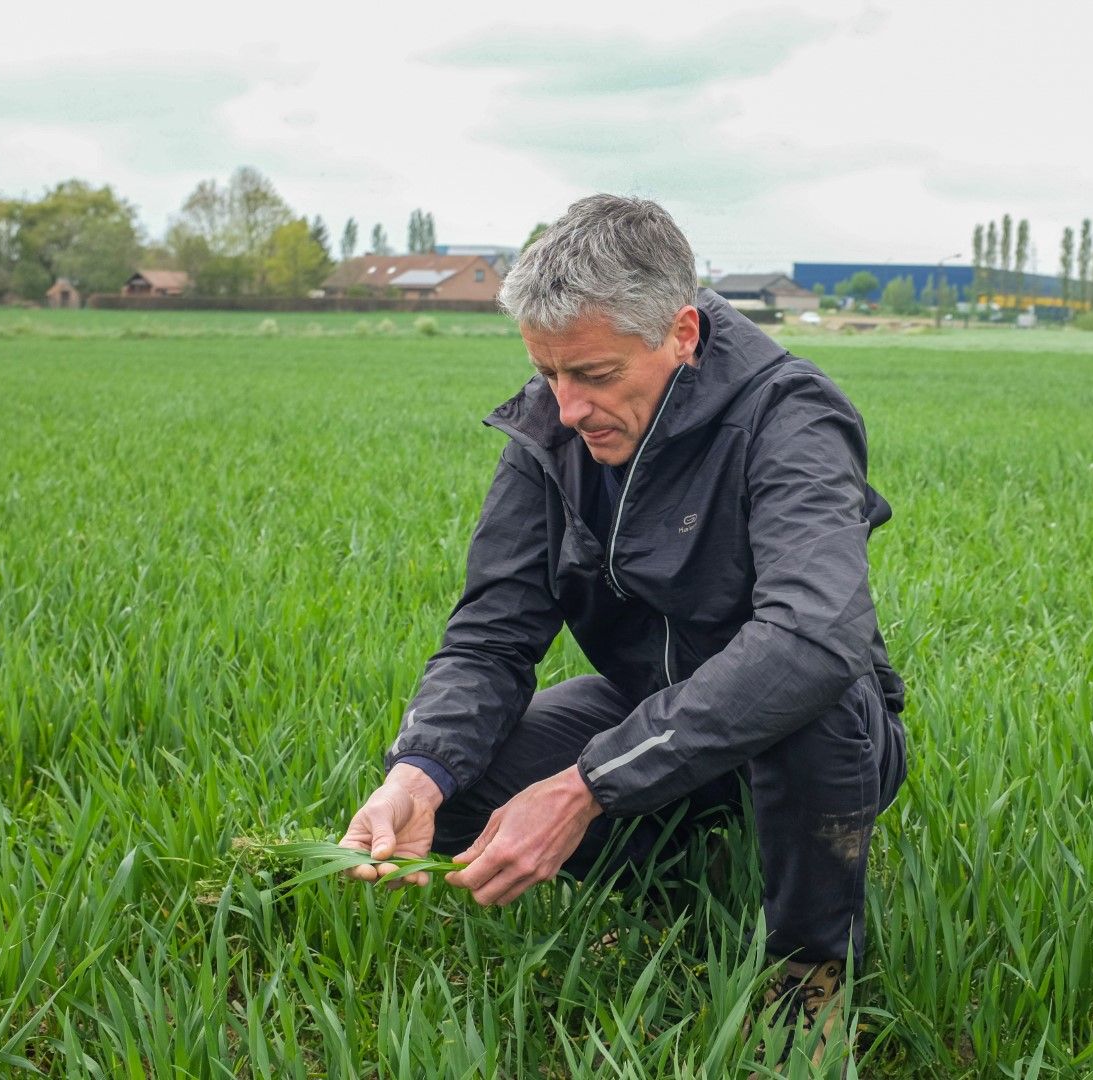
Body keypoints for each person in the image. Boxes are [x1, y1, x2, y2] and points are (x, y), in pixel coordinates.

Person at [340, 194, 906, 1054]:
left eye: (595, 376)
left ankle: (806, 976)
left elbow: (812, 638)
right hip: (645, 705)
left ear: (681, 335)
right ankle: (676, 876)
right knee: (454, 807)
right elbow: (493, 632)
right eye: (548, 374)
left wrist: (584, 788)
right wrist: (416, 771)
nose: (567, 408)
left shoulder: (788, 417)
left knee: (806, 693)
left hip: (813, 738)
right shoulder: (552, 432)